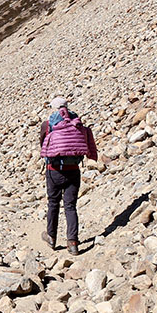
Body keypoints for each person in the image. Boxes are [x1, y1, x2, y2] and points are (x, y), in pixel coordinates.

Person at [39, 96, 96, 255]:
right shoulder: (77, 123)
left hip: (54, 170)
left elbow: (42, 143)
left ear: (54, 108)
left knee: (53, 203)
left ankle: (51, 237)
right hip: (73, 169)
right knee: (70, 206)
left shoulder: (48, 124)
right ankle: (72, 243)